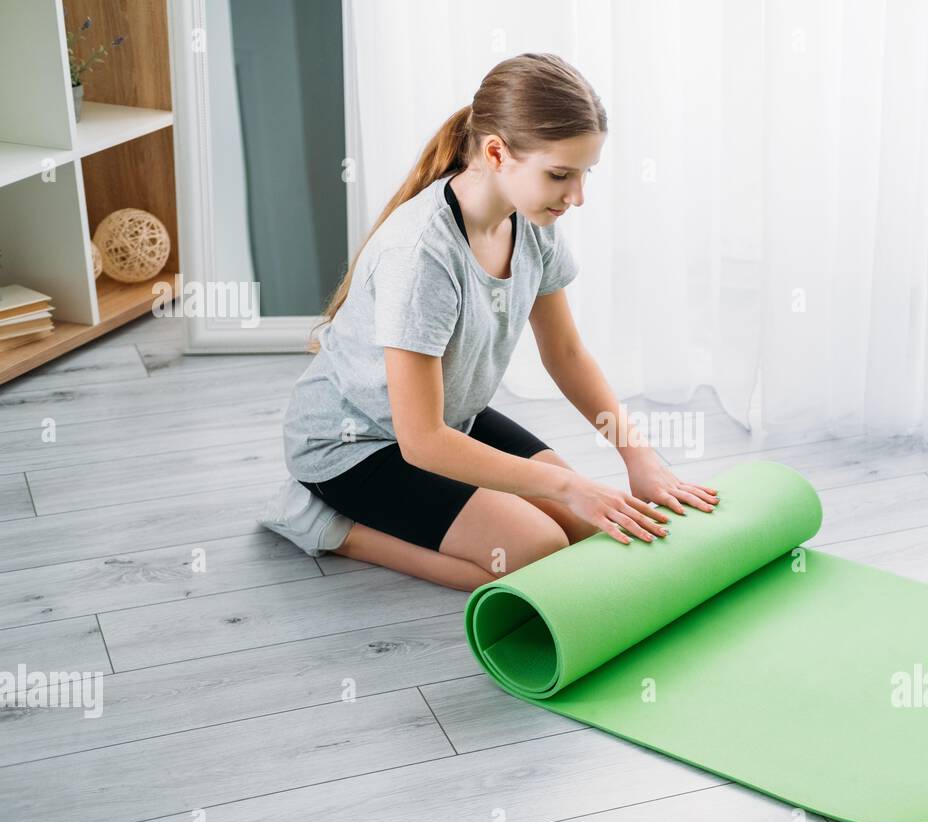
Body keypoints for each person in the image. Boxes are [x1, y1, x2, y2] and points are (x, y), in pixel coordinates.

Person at [262, 53, 719, 592]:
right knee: (538, 550)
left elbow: (566, 355)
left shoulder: (533, 220)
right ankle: (324, 523)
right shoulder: (421, 254)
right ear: (497, 152)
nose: (577, 197)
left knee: (583, 529)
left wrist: (638, 457)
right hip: (356, 445)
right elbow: (422, 443)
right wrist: (566, 486)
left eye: (584, 174)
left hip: (453, 421)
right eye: (560, 175)